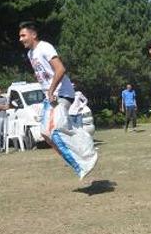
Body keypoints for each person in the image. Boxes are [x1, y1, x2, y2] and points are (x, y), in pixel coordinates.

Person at [20, 21, 97, 179]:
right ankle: (78, 163)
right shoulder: (30, 54)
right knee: (45, 134)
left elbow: (60, 69)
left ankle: (86, 152)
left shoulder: (45, 47)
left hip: (62, 93)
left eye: (23, 35)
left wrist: (51, 89)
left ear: (33, 35)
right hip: (51, 96)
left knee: (55, 130)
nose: (20, 39)